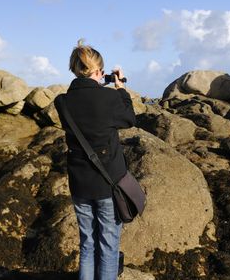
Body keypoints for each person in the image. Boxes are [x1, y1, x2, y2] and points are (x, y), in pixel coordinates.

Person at [56, 39, 136, 280]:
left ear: (74, 69)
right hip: (108, 183)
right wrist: (120, 87)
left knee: (87, 243)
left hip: (79, 183)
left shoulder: (62, 102)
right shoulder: (109, 99)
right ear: (99, 71)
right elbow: (129, 119)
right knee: (109, 245)